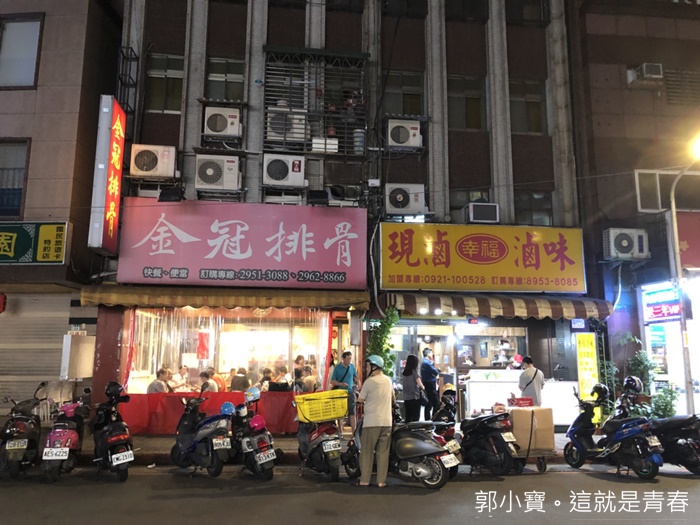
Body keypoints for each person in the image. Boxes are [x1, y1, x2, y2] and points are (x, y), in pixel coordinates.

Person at [357, 355, 393, 487]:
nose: (366, 369)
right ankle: (381, 481)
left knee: (367, 452)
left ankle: (365, 480)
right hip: (387, 422)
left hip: (372, 422)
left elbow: (360, 399)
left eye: (367, 366)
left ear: (374, 366)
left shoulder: (369, 382)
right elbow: (393, 396)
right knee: (383, 453)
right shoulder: (388, 381)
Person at [330, 350, 361, 435]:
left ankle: (354, 432)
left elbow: (356, 377)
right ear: (343, 359)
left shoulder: (351, 367)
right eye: (348, 359)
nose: (349, 360)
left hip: (350, 392)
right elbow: (332, 381)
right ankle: (341, 431)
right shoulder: (337, 368)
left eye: (350, 358)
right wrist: (341, 384)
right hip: (340, 393)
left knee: (352, 412)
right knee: (340, 412)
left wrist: (358, 384)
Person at [402, 354, 425, 423]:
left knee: (408, 418)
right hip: (414, 398)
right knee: (415, 419)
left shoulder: (404, 373)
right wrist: (423, 388)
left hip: (406, 399)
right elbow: (420, 385)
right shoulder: (414, 372)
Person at [420, 348, 440, 420]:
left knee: (429, 403)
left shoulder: (425, 362)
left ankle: (428, 419)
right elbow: (435, 372)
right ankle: (434, 419)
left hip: (428, 384)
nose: (432, 354)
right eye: (431, 353)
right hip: (430, 384)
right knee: (436, 403)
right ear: (428, 354)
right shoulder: (427, 363)